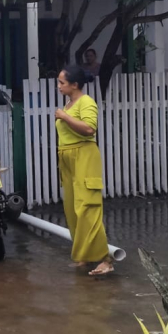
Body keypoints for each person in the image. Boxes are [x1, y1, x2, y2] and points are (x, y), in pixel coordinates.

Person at [55, 64, 114, 276]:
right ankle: (83, 256)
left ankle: (106, 260)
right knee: (72, 210)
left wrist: (64, 117)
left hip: (84, 157)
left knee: (87, 208)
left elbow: (89, 129)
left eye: (62, 82)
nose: (59, 86)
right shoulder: (69, 104)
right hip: (68, 160)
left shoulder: (86, 102)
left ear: (75, 84)